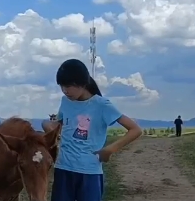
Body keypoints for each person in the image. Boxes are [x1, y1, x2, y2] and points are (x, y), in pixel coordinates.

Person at [42, 58, 142, 201]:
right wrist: (47, 125)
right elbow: (60, 124)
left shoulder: (102, 105)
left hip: (90, 172)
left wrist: (110, 149)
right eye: (62, 86)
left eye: (69, 86)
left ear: (83, 83)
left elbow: (135, 130)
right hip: (63, 168)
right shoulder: (65, 102)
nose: (65, 91)